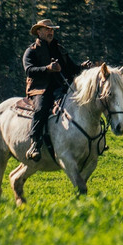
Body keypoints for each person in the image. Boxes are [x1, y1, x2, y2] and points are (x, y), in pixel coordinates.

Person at [24, 18, 79, 161]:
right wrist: (48, 69)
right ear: (39, 32)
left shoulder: (59, 49)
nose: (51, 32)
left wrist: (83, 67)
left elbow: (72, 68)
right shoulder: (31, 51)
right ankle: (35, 143)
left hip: (62, 88)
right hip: (40, 89)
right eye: (47, 29)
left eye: (52, 30)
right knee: (41, 108)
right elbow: (29, 70)